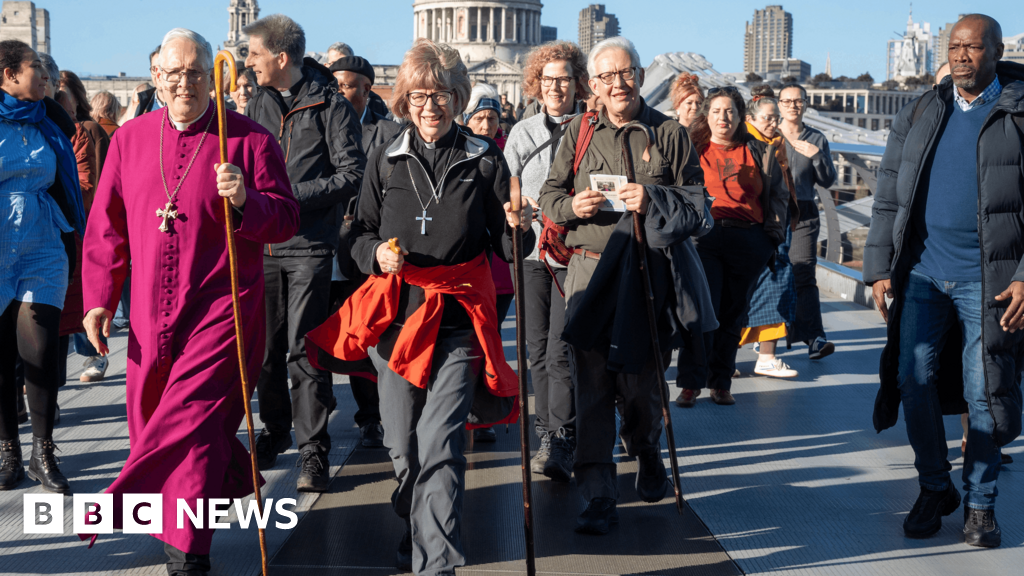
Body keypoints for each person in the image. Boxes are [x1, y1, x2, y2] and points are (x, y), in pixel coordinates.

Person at [306, 38, 532, 575]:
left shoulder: (484, 161)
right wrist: (374, 254)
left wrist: (521, 228)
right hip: (396, 320)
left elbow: (506, 245)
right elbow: (355, 235)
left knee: (441, 443)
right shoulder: (385, 158)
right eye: (419, 96)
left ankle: (438, 564)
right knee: (404, 448)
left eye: (441, 95)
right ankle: (416, 519)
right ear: (405, 101)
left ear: (457, 97)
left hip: (457, 321)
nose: (430, 106)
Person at [79, 28, 299, 573]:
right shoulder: (130, 140)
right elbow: (106, 226)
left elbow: (287, 219)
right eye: (173, 75)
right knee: (156, 421)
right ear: (156, 76)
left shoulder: (248, 141)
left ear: (214, 77)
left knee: (193, 428)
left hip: (221, 312)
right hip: (149, 317)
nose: (184, 85)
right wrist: (100, 298)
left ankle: (186, 556)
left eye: (195, 74)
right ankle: (216, 492)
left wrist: (247, 198)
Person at [539, 36, 716, 535]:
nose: (619, 84)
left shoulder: (670, 134)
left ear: (639, 75)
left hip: (646, 274)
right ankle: (598, 494)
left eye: (627, 73)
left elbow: (697, 211)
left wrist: (652, 199)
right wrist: (573, 207)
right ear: (591, 85)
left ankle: (645, 446)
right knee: (591, 388)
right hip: (589, 275)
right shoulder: (577, 131)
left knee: (640, 386)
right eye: (607, 77)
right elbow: (550, 198)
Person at [864, 14, 1024, 549]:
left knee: (984, 394)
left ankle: (980, 504)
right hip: (923, 273)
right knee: (914, 380)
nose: (961, 56)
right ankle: (935, 487)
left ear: (996, 52)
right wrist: (880, 268)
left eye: (973, 47)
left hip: (991, 279)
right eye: (954, 46)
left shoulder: (1018, 112)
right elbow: (889, 193)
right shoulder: (921, 110)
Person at [243, 13, 366, 492]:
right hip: (262, 244)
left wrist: (289, 197)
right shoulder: (256, 102)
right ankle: (275, 432)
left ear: (280, 57)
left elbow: (350, 174)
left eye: (254, 55)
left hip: (309, 245)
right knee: (267, 352)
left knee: (304, 351)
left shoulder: (330, 104)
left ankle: (313, 451)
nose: (248, 63)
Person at [0, 40, 84, 495]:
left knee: (42, 348)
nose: (46, 74)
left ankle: (44, 451)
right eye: (35, 67)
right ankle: (6, 448)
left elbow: (65, 183)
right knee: (1, 355)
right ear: (10, 75)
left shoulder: (51, 118)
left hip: (42, 243)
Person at [503, 39, 588, 481]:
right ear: (536, 84)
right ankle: (546, 430)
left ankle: (562, 436)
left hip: (574, 254)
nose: (556, 88)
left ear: (578, 84)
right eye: (548, 80)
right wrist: (517, 208)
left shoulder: (592, 129)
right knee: (536, 349)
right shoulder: (522, 133)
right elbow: (508, 186)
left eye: (564, 79)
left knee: (561, 349)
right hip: (533, 252)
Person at [675, 86, 790, 407]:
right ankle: (690, 383)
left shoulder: (758, 151)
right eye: (716, 111)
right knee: (701, 311)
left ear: (741, 117)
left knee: (732, 314)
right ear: (707, 116)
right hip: (704, 239)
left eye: (729, 112)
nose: (723, 117)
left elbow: (778, 194)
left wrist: (771, 238)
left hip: (749, 239)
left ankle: (721, 382)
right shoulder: (692, 149)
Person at [327, 54, 401, 448]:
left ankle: (378, 415)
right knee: (338, 337)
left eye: (347, 85)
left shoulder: (388, 132)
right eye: (335, 84)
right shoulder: (321, 124)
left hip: (369, 245)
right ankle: (361, 414)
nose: (339, 92)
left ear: (366, 89)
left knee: (373, 334)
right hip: (328, 244)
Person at [461, 82, 513, 444]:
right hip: (468, 268)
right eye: (479, 117)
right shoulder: (459, 152)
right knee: (467, 344)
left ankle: (483, 412)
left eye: (491, 117)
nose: (486, 124)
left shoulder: (508, 150)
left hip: (501, 272)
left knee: (488, 343)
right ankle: (464, 409)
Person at [739, 85, 800, 378]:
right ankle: (749, 357)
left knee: (775, 284)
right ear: (750, 118)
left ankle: (764, 355)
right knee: (762, 285)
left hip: (774, 225)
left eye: (775, 118)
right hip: (758, 226)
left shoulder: (774, 142)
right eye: (767, 118)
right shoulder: (749, 143)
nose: (773, 123)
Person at [777, 82, 837, 359]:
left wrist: (817, 156)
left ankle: (815, 338)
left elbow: (827, 180)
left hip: (803, 213)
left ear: (805, 105)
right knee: (770, 272)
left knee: (803, 273)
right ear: (779, 105)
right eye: (787, 101)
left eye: (798, 101)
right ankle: (768, 334)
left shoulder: (816, 139)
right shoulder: (768, 135)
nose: (792, 105)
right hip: (772, 212)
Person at [130, 45, 166, 119]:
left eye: (161, 68)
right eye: (154, 69)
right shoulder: (143, 105)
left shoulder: (183, 103)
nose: (158, 73)